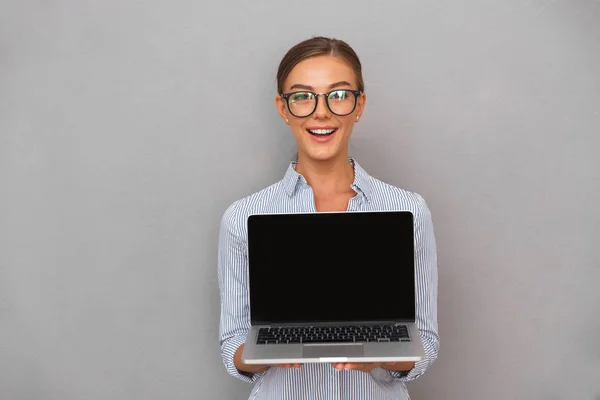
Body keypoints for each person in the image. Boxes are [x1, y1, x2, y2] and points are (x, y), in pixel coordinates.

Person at [217, 36, 439, 400]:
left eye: (338, 95)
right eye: (303, 96)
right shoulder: (243, 217)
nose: (321, 112)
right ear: (283, 108)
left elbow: (425, 342)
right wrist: (263, 354)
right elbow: (232, 346)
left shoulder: (409, 210)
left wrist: (385, 356)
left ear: (359, 105)